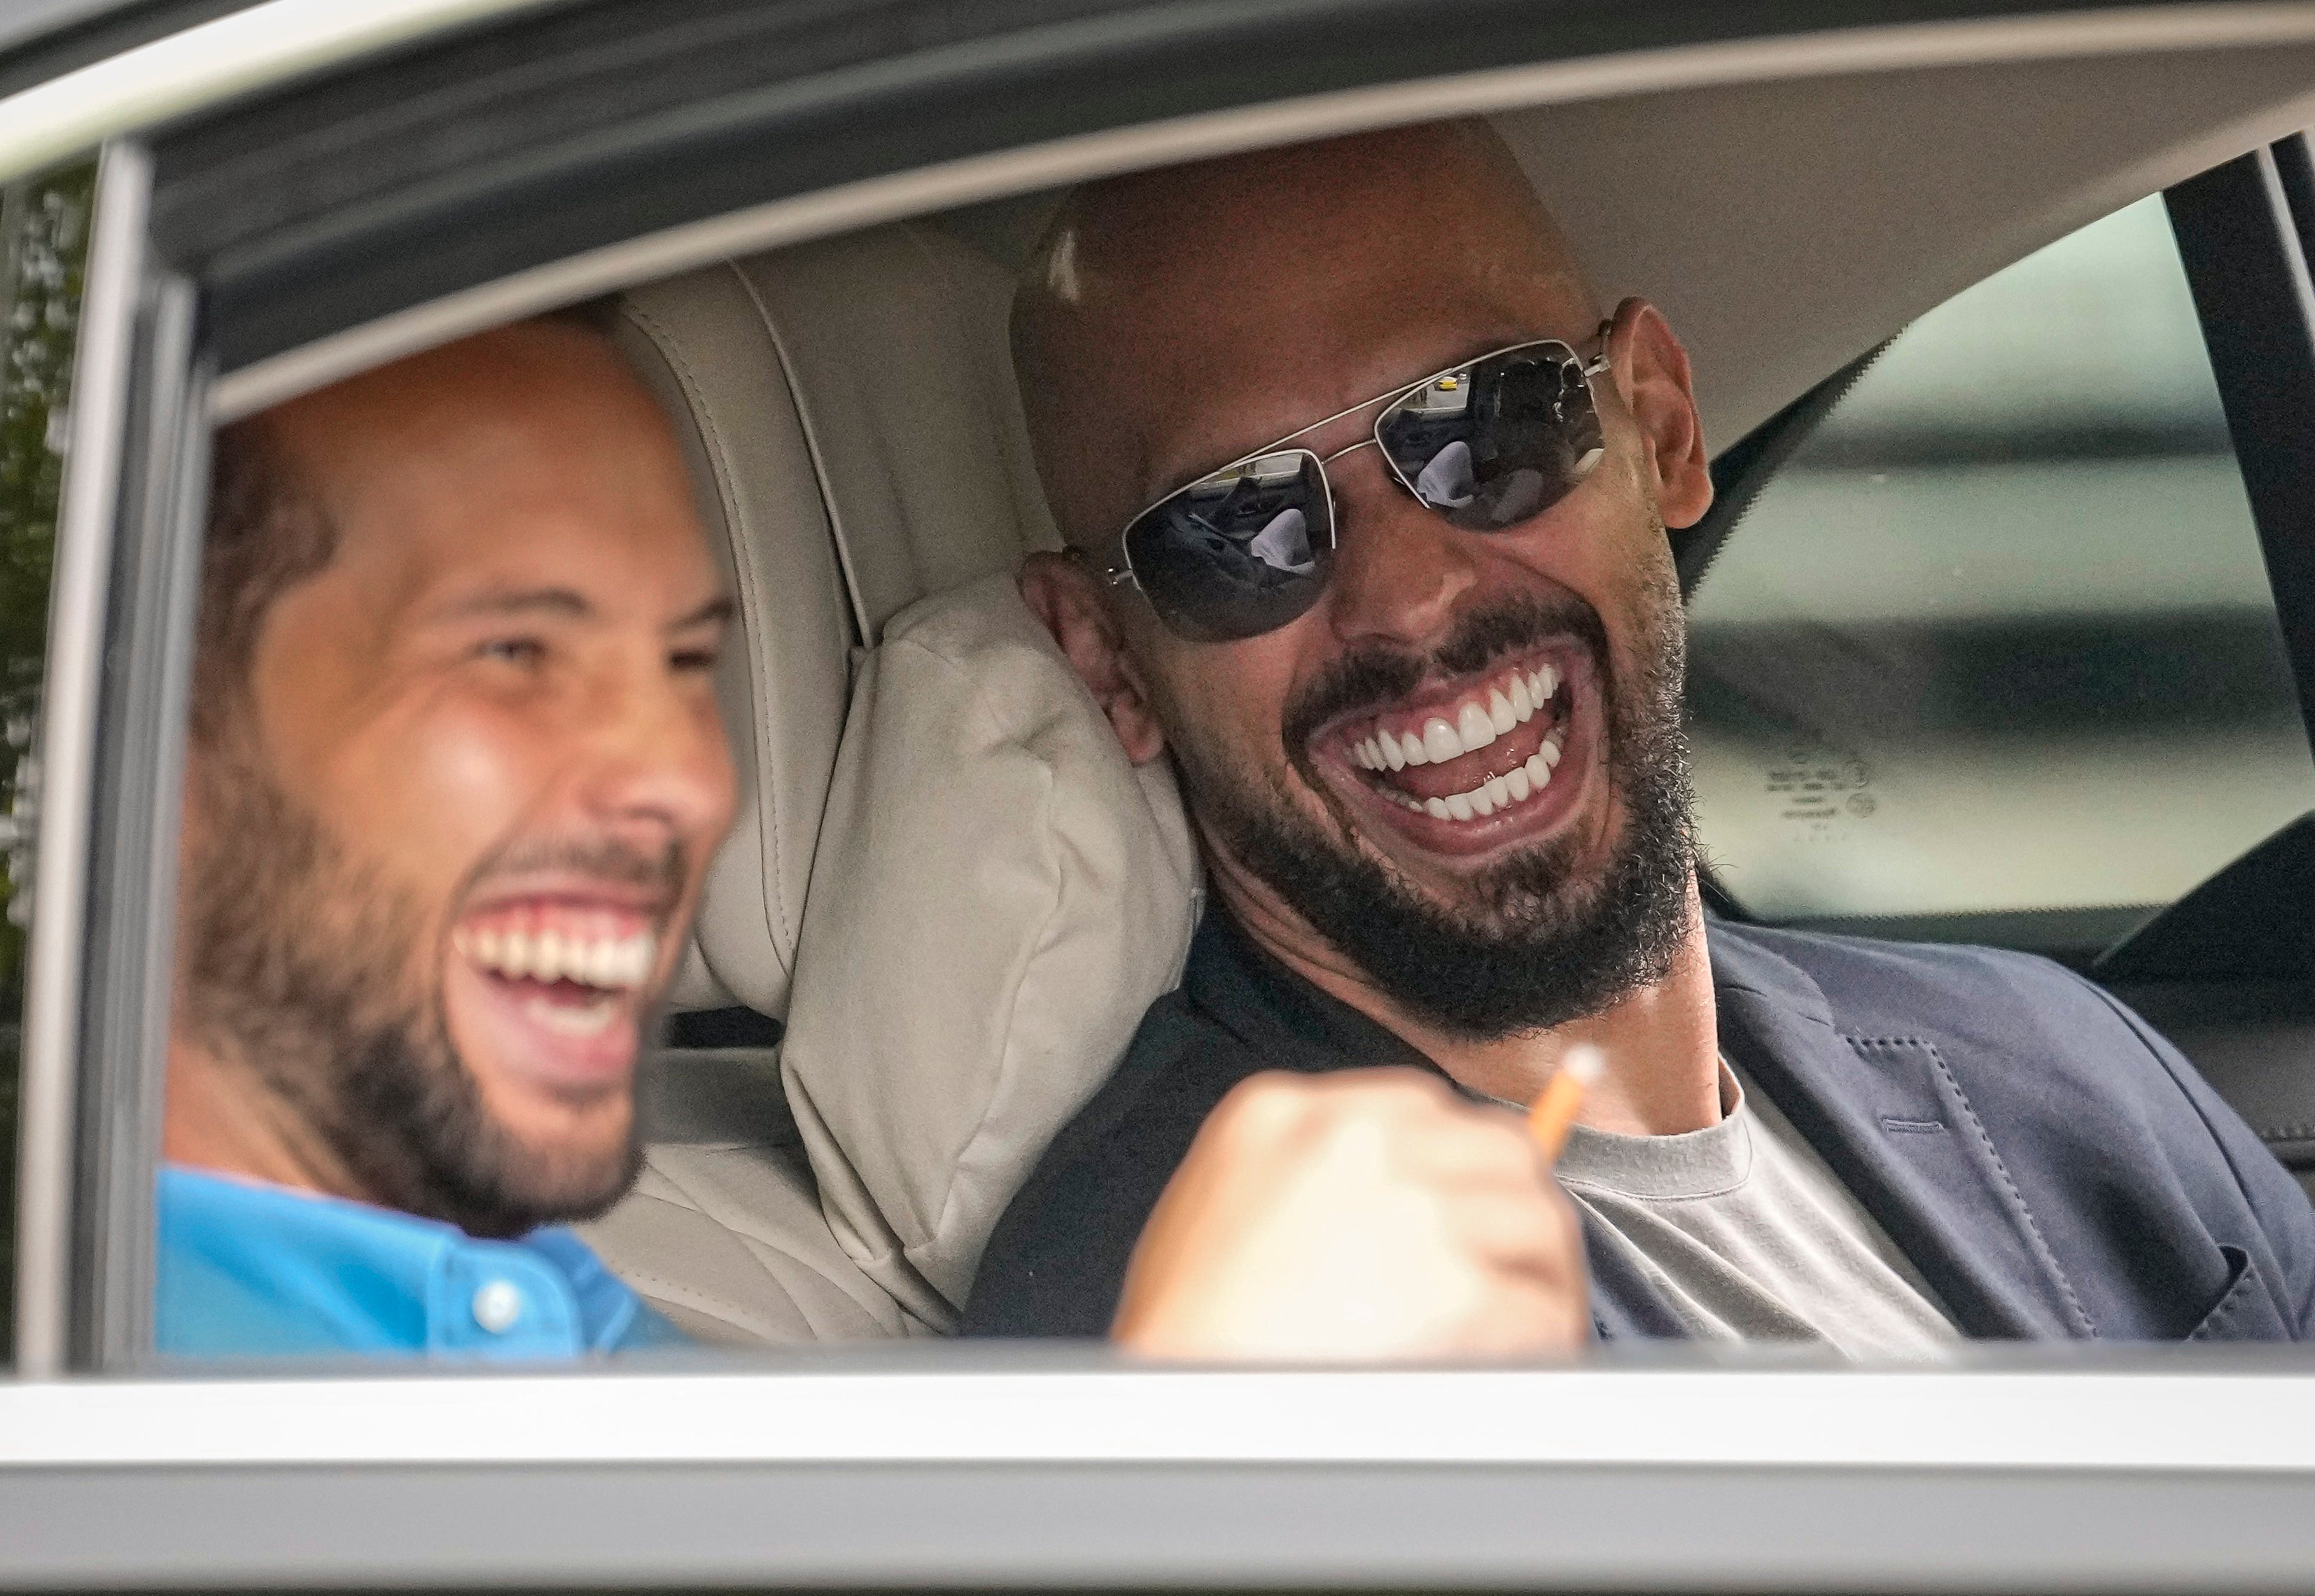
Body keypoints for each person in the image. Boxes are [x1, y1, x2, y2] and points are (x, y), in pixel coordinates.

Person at [974, 121, 2315, 1349]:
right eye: (1238, 529)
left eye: (1485, 423)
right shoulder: (1188, 1311)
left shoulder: (2058, 1066)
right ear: (1108, 655)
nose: (1406, 598)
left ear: (1660, 425)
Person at [160, 314, 1589, 1360]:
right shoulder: (77, 1406)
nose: (679, 777)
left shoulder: (555, 1323)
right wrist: (1177, 1444)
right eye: (513, 653)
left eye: (687, 668)